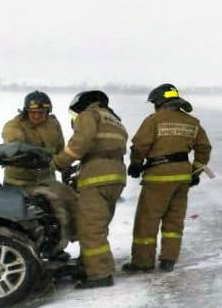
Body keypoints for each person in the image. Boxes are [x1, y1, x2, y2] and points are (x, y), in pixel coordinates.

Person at [124, 84, 212, 274]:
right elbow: (204, 148)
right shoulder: (192, 122)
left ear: (159, 102)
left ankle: (143, 262)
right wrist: (196, 172)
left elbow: (140, 144)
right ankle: (168, 260)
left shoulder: (154, 120)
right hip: (182, 176)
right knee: (174, 220)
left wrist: (136, 163)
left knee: (147, 220)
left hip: (158, 175)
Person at [53, 91, 127, 289]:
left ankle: (99, 275)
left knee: (89, 229)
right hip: (117, 176)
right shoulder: (114, 119)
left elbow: (79, 144)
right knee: (100, 226)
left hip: (96, 176)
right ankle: (99, 265)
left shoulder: (89, 115)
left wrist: (58, 163)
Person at [1, 90, 77, 250]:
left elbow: (60, 150)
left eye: (41, 112)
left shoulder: (53, 124)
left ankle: (70, 241)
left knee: (73, 201)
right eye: (33, 112)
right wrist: (29, 157)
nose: (37, 116)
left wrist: (66, 172)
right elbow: (14, 146)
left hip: (46, 179)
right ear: (26, 112)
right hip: (20, 182)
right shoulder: (13, 126)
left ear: (48, 112)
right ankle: (48, 247)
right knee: (54, 209)